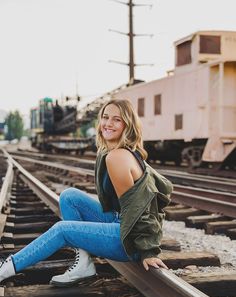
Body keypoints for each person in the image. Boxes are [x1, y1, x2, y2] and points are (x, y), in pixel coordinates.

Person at [0, 99, 172, 287]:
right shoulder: (110, 152)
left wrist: (148, 251)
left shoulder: (118, 157)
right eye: (105, 118)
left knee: (62, 230)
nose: (108, 124)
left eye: (117, 120)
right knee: (69, 196)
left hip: (128, 239)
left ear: (127, 125)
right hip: (120, 222)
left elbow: (140, 209)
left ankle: (6, 269)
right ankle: (83, 263)